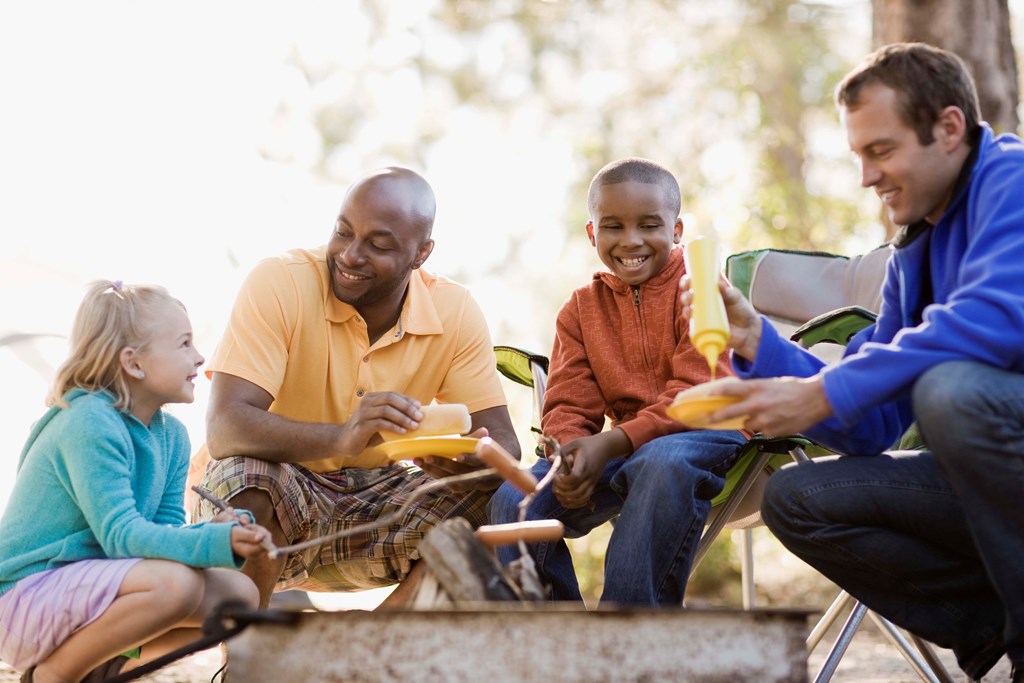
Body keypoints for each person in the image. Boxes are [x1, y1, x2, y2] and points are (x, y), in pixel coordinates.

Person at [680, 43, 1024, 681]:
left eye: (881, 150)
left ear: (949, 128)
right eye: (858, 155)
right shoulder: (915, 246)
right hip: (989, 479)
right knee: (799, 498)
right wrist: (758, 342)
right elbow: (871, 425)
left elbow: (997, 319)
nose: (866, 176)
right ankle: (989, 629)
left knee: (953, 391)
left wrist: (822, 394)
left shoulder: (1014, 183)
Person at [188, 166, 520, 608]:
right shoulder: (280, 280)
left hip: (377, 504)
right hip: (267, 498)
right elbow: (226, 428)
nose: (349, 255)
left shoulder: (454, 310)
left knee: (498, 501)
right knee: (249, 474)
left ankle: (366, 651)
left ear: (422, 253)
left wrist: (472, 466)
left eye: (378, 245)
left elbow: (505, 445)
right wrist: (344, 437)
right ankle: (247, 660)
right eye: (343, 233)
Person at [488, 158, 747, 606]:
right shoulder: (581, 310)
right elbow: (568, 401)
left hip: (709, 432)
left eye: (649, 225)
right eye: (613, 227)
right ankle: (557, 648)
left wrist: (611, 444)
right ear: (592, 234)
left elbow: (697, 391)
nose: (631, 241)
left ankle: (626, 637)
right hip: (627, 449)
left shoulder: (702, 287)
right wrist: (569, 456)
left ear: (677, 230)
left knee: (661, 461)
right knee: (513, 499)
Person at [0, 281, 269, 683]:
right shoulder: (89, 421)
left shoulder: (171, 435)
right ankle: (53, 676)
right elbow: (121, 536)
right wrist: (214, 543)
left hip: (90, 590)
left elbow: (159, 534)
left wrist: (214, 532)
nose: (199, 358)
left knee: (239, 596)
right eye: (183, 344)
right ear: (134, 363)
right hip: (25, 599)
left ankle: (105, 672)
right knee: (175, 586)